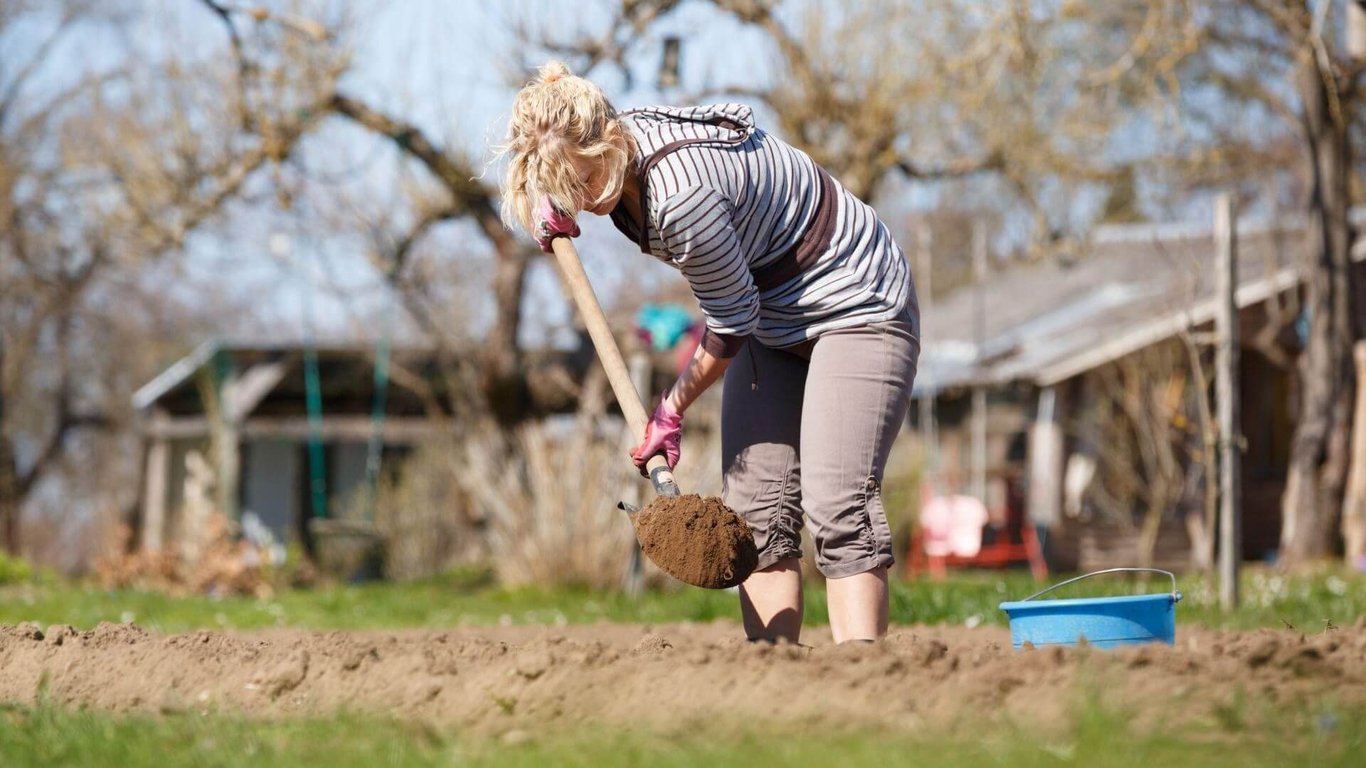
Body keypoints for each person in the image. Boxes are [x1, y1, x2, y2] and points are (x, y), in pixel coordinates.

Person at [498, 61, 920, 644]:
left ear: (611, 138)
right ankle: (776, 685)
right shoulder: (609, 152)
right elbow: (743, 311)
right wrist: (555, 202)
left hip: (854, 305)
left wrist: (670, 411)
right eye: (564, 186)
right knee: (757, 515)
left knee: (837, 504)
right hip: (770, 313)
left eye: (585, 181)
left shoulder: (681, 195)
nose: (582, 198)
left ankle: (866, 681)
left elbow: (730, 323)